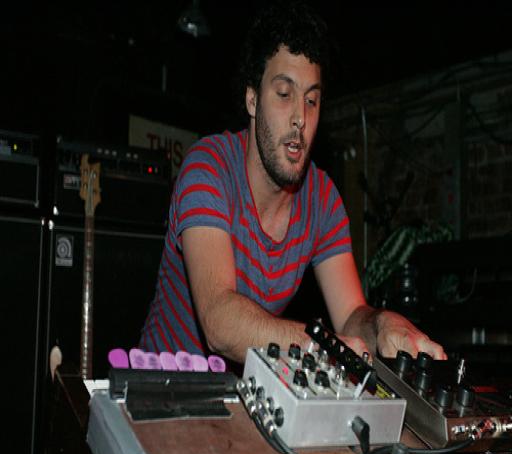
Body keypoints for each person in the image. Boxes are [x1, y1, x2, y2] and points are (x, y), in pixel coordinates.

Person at [139, 0, 446, 367]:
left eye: (312, 100)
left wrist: (382, 324)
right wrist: (323, 346)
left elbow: (351, 316)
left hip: (245, 393)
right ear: (252, 100)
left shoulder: (323, 200)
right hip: (160, 387)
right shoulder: (208, 168)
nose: (300, 116)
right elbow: (219, 321)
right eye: (284, 94)